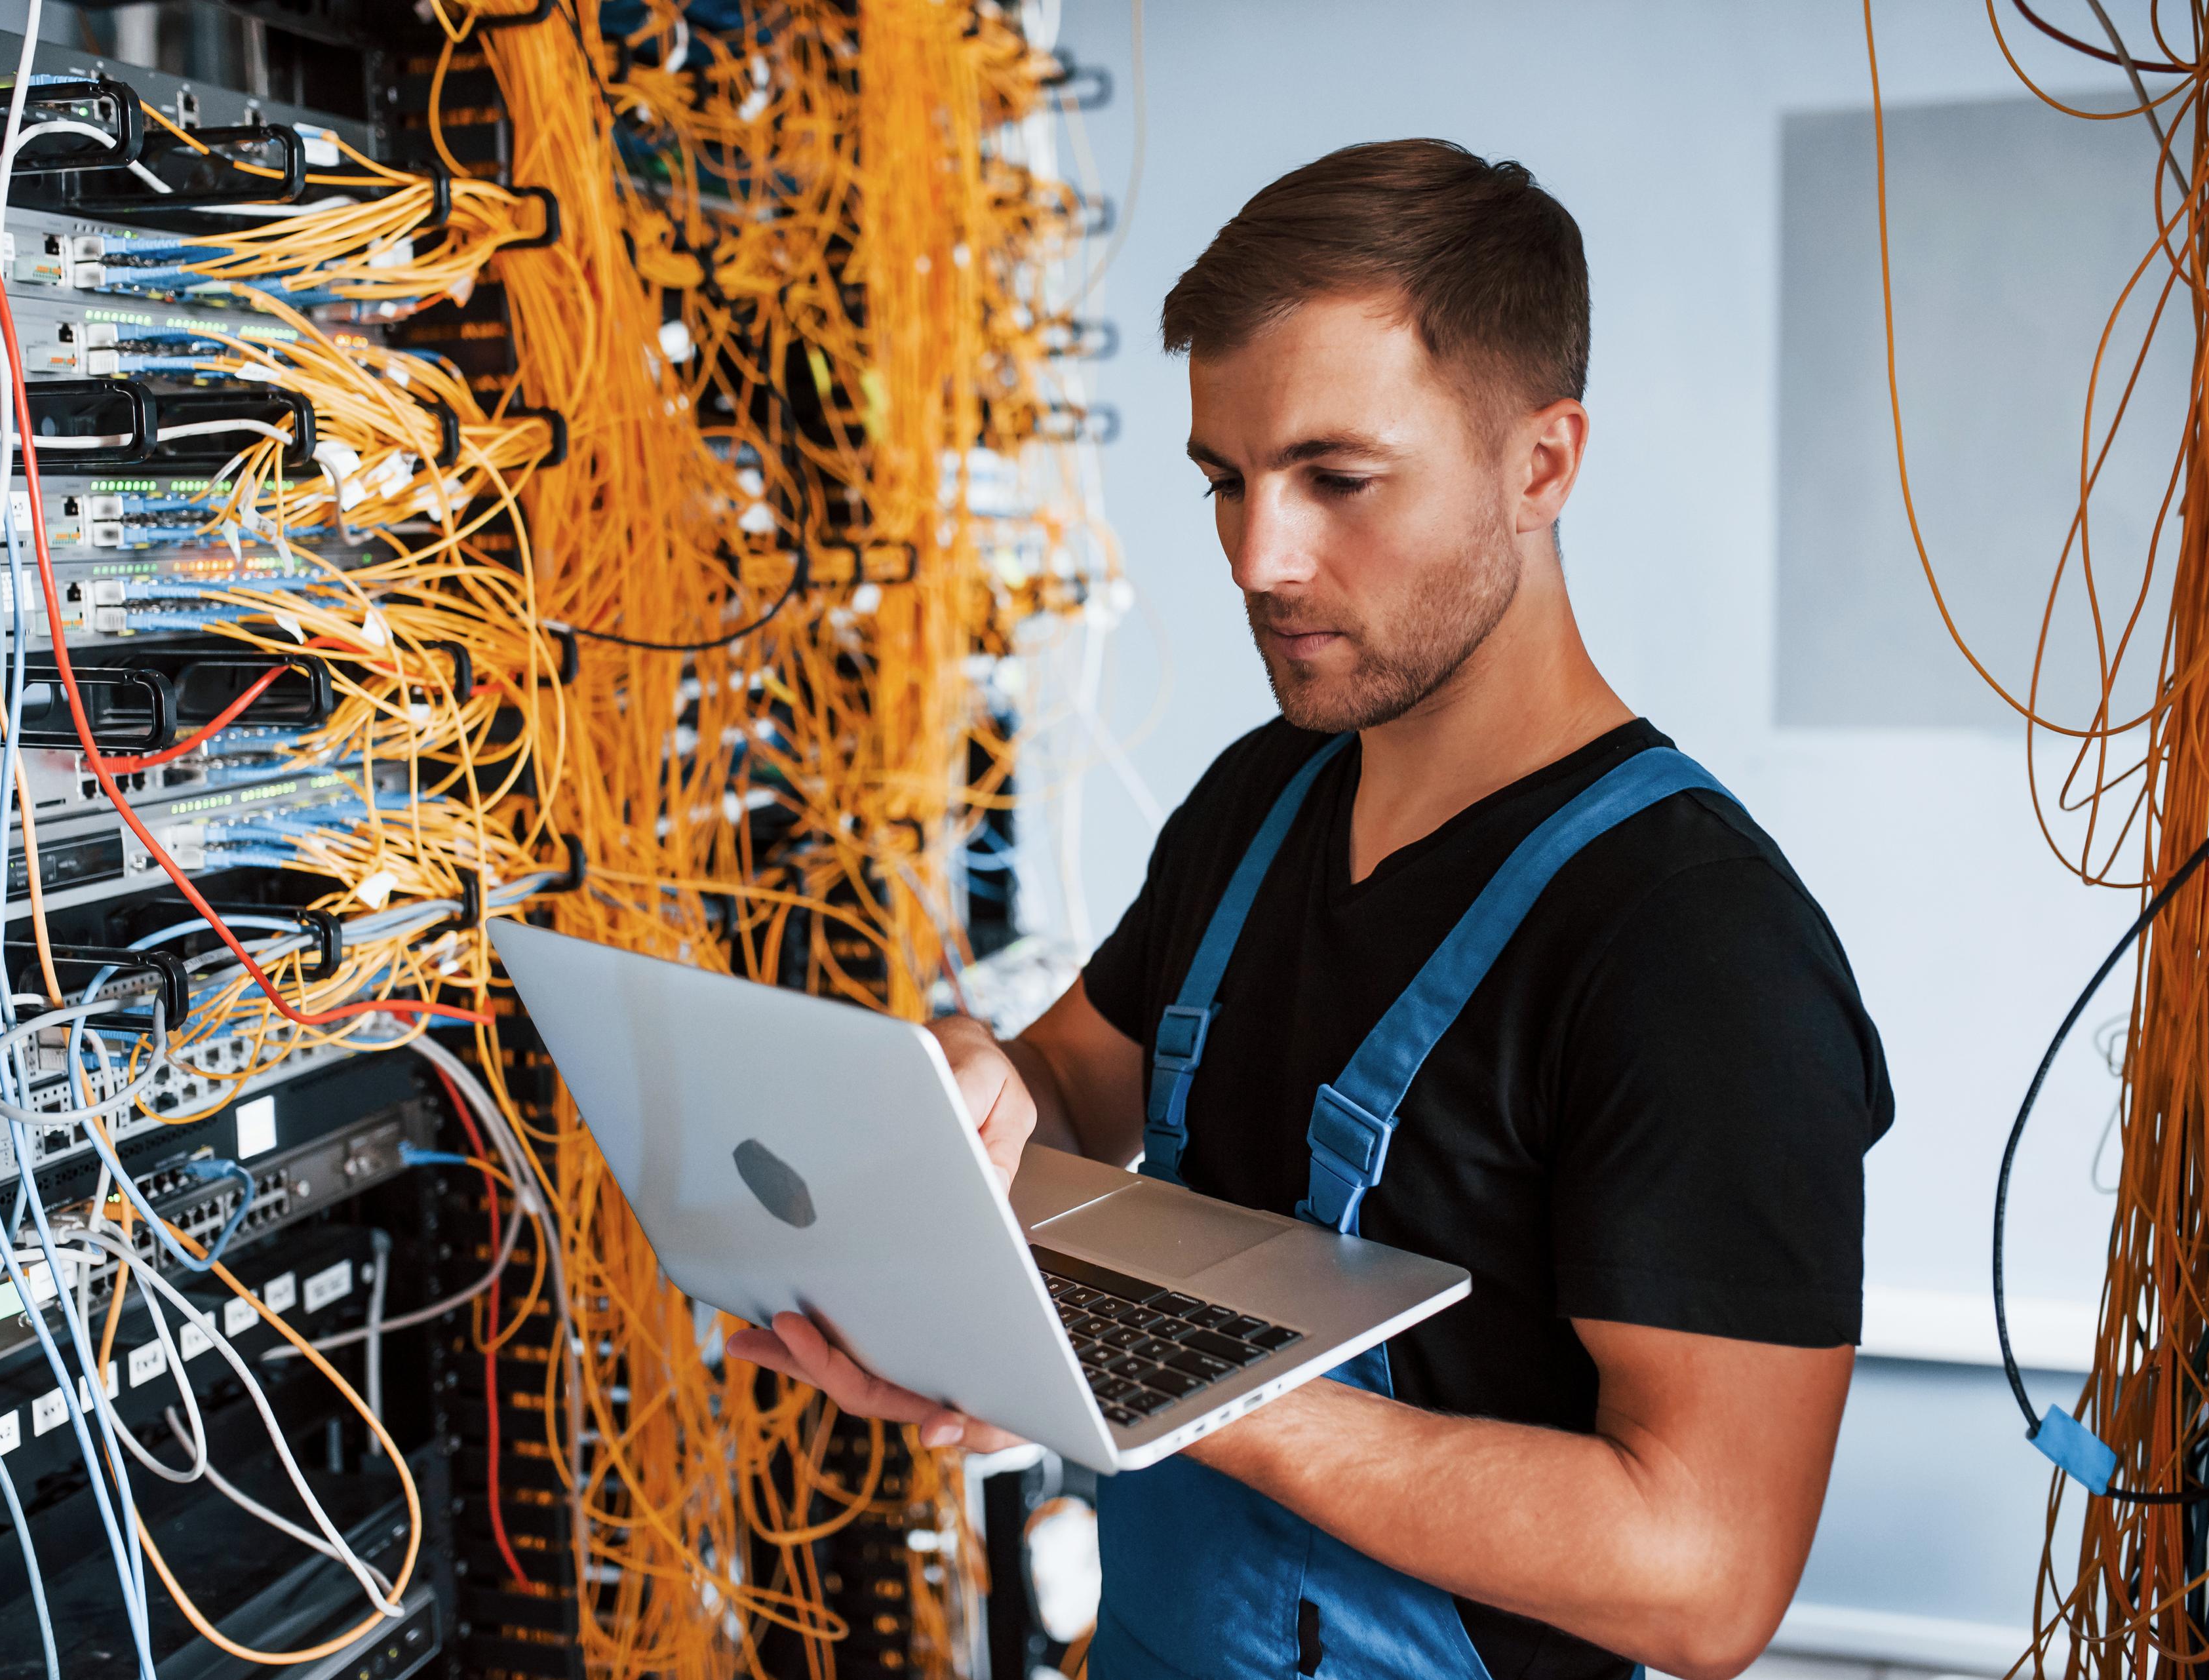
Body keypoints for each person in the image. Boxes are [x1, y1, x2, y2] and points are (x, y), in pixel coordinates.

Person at [729, 138, 1892, 1680]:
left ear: (1541, 464)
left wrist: (1161, 1378)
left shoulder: (1695, 950)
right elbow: (1078, 1087)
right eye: (1227, 481)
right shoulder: (1265, 796)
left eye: (1337, 479)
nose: (1259, 560)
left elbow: (1704, 1576)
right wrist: (976, 1079)